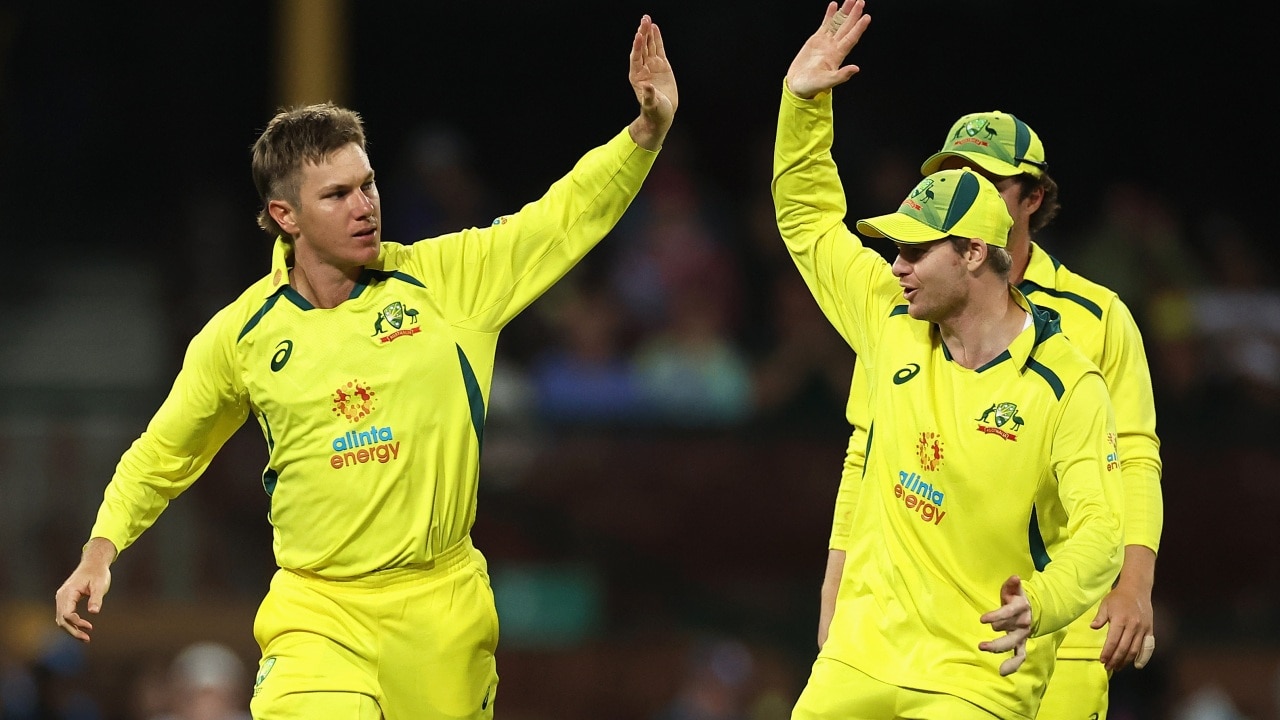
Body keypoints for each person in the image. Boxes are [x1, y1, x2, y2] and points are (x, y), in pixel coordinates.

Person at [53, 14, 677, 719]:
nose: (365, 206)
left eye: (368, 184)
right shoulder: (241, 336)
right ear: (284, 215)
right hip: (317, 609)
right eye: (337, 194)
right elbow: (164, 453)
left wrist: (643, 136)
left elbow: (560, 219)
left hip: (441, 608)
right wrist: (100, 550)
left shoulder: (445, 282)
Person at [773, 3, 1125, 718]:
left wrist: (1045, 603)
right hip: (863, 655)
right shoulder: (890, 321)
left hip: (977, 673)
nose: (894, 266)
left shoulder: (1065, 384)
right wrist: (802, 106)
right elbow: (809, 219)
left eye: (913, 251)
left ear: (971, 254)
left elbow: (1099, 535)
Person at [816, 96, 1165, 720]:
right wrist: (838, 571)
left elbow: (1134, 457)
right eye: (952, 174)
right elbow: (868, 450)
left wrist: (1135, 584)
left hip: (1058, 613)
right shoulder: (909, 315)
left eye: (986, 179)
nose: (964, 187)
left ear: (1031, 198)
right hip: (916, 632)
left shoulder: (1099, 317)